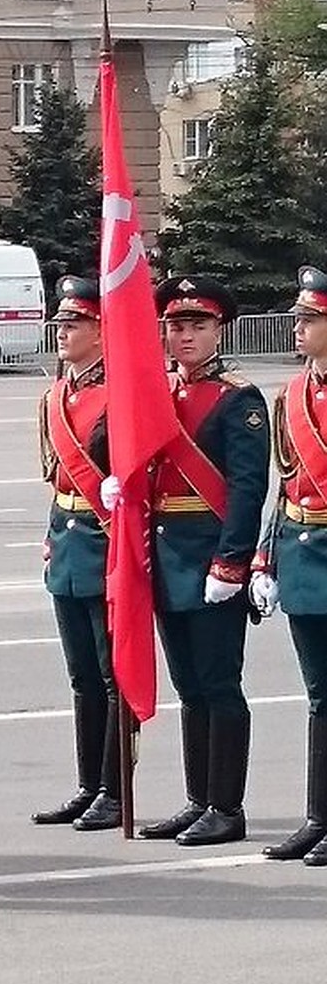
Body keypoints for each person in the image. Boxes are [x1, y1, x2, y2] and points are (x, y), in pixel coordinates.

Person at [130, 275, 269, 845]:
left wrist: (231, 561)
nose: (184, 336)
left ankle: (227, 807)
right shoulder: (160, 392)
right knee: (188, 686)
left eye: (197, 325)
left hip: (210, 559)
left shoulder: (239, 399)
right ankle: (199, 798)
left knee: (218, 683)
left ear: (221, 330)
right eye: (175, 326)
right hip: (166, 559)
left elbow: (246, 487)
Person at [32, 276, 122, 831]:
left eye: (75, 324)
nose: (63, 333)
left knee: (113, 676)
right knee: (81, 676)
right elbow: (56, 477)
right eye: (61, 324)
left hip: (103, 542)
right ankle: (89, 784)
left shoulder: (122, 394)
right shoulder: (55, 396)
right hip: (67, 543)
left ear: (101, 330)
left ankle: (115, 788)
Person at [250, 266, 327, 864]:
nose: (298, 327)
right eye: (299, 318)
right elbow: (288, 482)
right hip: (302, 556)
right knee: (319, 696)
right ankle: (318, 817)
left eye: (310, 319)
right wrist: (265, 558)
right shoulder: (291, 395)